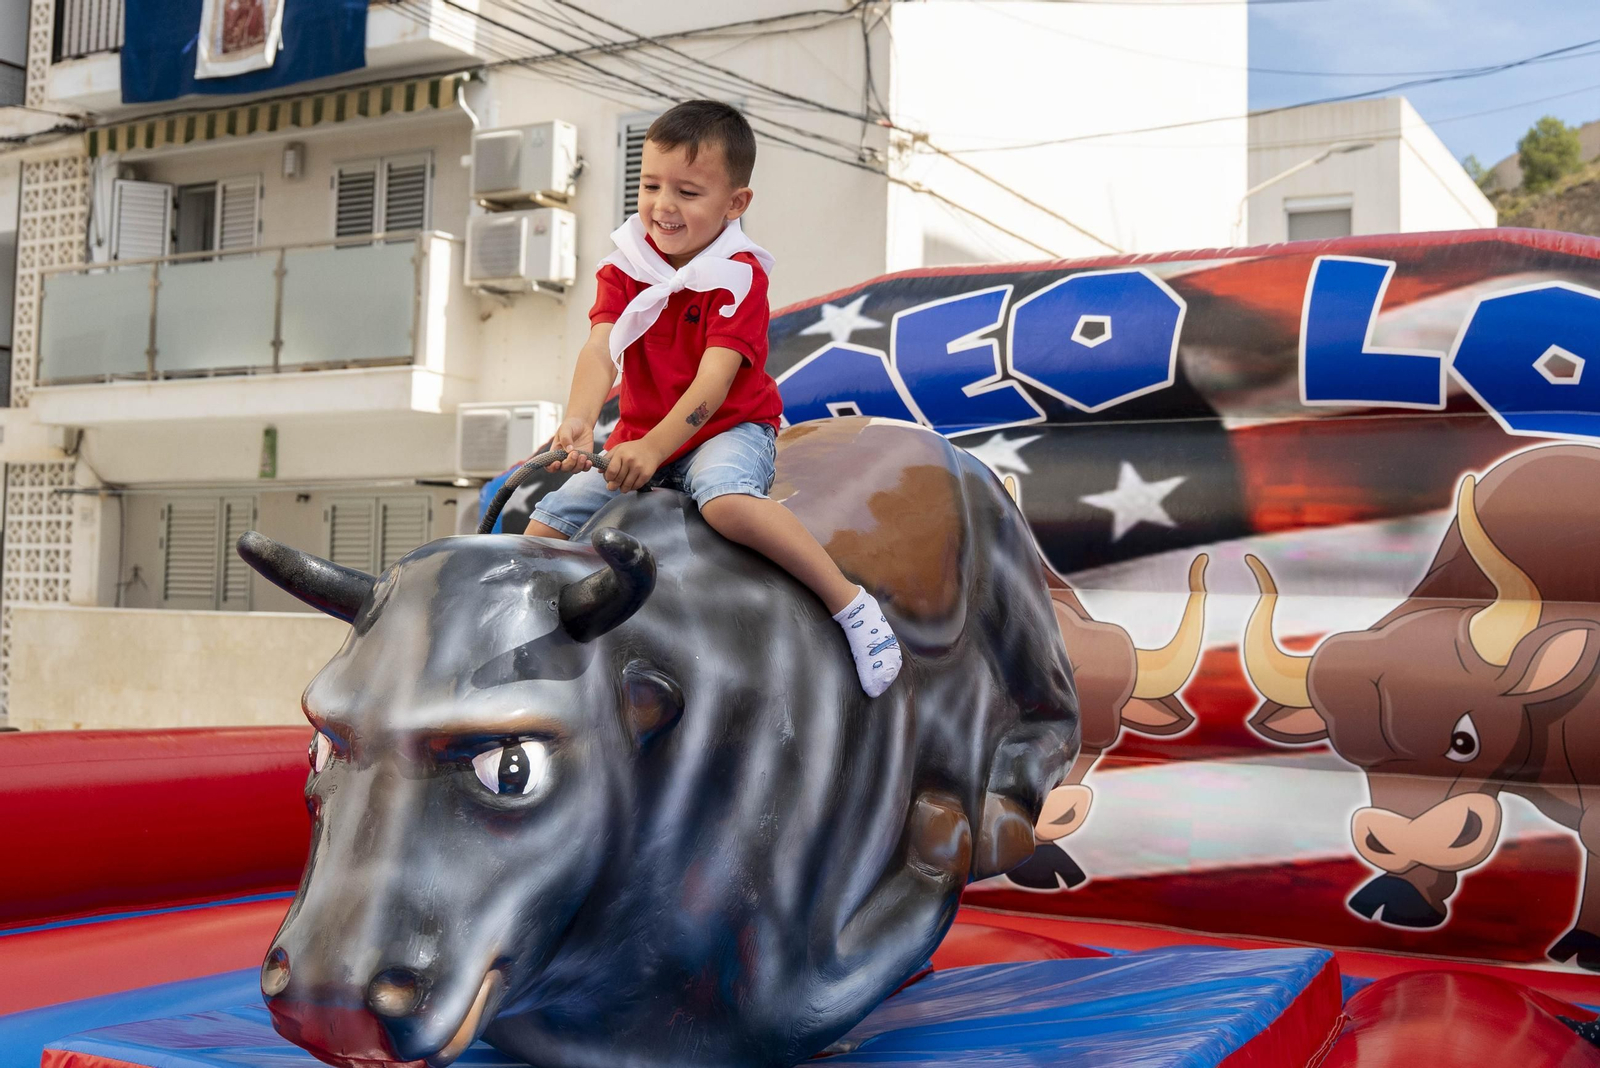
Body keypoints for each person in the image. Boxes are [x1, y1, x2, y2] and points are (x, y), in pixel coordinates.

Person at [521, 100, 902, 698]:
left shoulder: (739, 275)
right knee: (542, 531)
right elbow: (600, 351)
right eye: (650, 185)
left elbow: (712, 385)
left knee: (725, 502)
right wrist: (578, 420)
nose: (663, 205)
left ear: (735, 204)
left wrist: (653, 449)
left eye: (688, 192)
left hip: (726, 430)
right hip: (641, 439)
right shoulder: (624, 267)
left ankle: (852, 608)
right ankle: (522, 648)